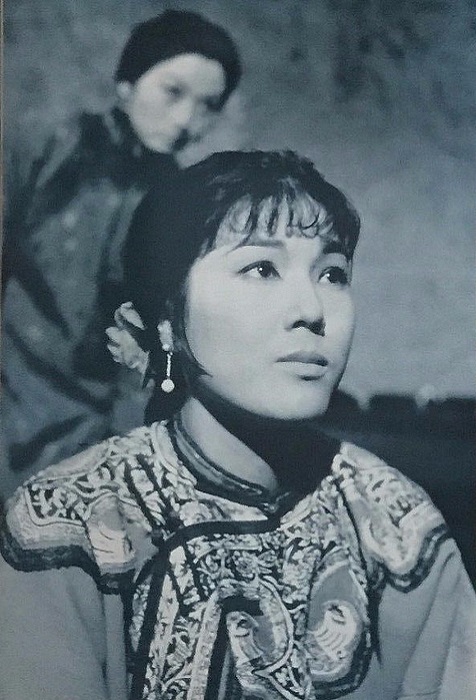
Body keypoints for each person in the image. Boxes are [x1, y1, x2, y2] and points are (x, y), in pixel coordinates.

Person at [0, 151, 474, 700]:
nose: (311, 309)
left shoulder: (397, 524)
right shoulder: (69, 522)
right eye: (261, 269)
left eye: (333, 274)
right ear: (166, 321)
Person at [1, 10, 241, 494]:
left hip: (95, 430)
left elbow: (162, 340)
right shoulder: (45, 148)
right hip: (11, 400)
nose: (186, 120)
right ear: (126, 83)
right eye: (173, 92)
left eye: (208, 106)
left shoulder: (182, 204)